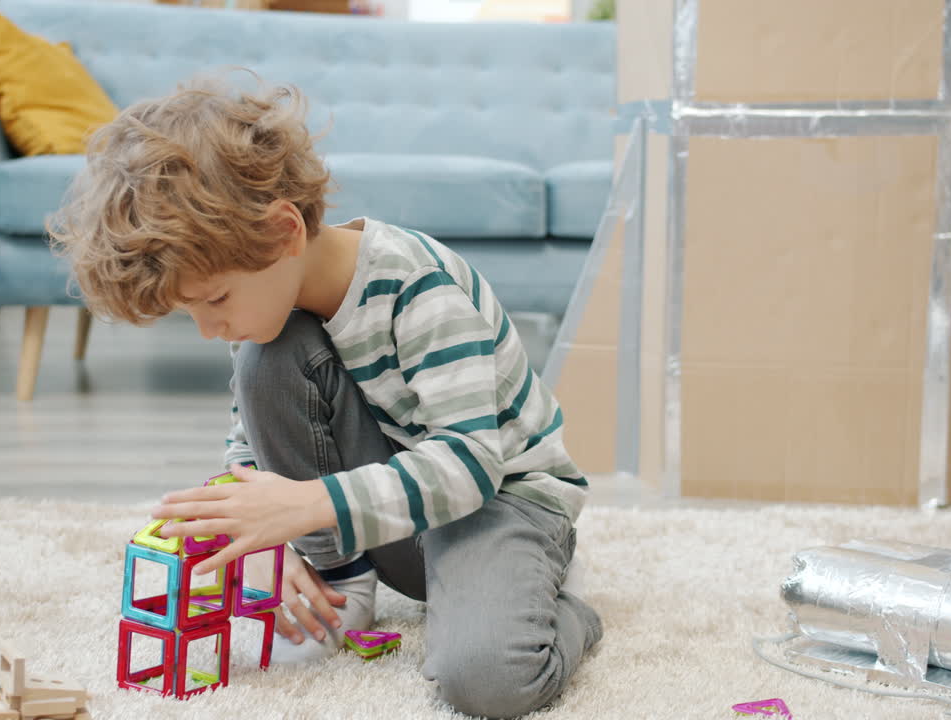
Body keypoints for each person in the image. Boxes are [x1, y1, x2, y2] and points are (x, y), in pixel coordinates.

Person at [48, 76, 602, 718]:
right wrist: (268, 538)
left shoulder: (418, 287)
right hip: (398, 518)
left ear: (284, 232)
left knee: (485, 681)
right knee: (265, 354)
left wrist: (307, 504)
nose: (208, 329)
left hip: (501, 502)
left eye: (215, 300)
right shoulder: (269, 306)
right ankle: (342, 586)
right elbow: (247, 444)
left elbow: (470, 465)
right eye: (188, 312)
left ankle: (560, 607)